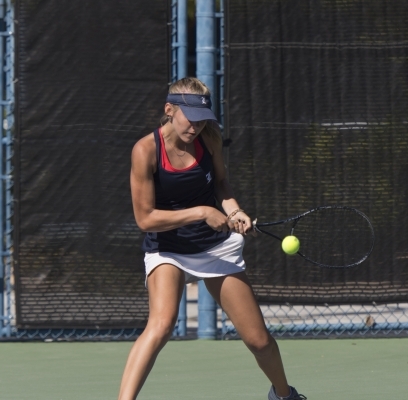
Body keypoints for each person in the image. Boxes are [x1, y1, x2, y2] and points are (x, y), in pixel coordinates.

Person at [118, 77, 305, 400]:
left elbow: (221, 185)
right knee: (161, 326)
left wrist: (234, 212)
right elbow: (145, 218)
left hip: (214, 246)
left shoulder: (210, 139)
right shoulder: (145, 150)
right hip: (168, 248)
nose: (196, 125)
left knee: (258, 340)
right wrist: (202, 212)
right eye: (190, 116)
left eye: (203, 118)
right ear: (169, 110)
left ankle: (285, 396)